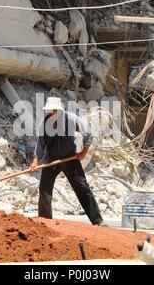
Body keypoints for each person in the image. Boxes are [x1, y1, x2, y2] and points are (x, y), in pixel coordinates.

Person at [30, 97, 104, 226]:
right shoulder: (44, 122)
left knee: (82, 187)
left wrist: (84, 152)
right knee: (44, 189)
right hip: (51, 160)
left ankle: (98, 221)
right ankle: (45, 221)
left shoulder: (71, 119)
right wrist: (35, 160)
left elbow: (88, 134)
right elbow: (40, 144)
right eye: (50, 110)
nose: (51, 113)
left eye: (53, 110)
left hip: (69, 158)